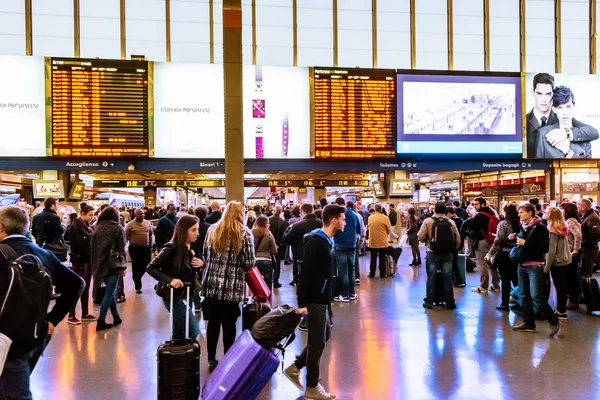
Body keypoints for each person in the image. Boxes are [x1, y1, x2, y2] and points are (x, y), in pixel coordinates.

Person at [0, 207, 84, 400]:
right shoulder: (43, 254)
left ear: (1, 228)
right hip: (34, 335)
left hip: (5, 338)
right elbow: (77, 283)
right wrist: (52, 320)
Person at [283, 204, 346, 400]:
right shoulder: (317, 243)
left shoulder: (326, 240)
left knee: (324, 335)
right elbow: (306, 274)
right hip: (314, 298)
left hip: (322, 296)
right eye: (343, 219)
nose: (344, 222)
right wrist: (302, 302)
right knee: (317, 340)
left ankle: (296, 366)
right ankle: (312, 385)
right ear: (334, 220)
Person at [202, 202, 255, 372]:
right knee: (229, 324)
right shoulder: (245, 234)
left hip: (211, 285)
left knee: (213, 323)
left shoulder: (212, 230)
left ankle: (211, 358)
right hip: (231, 288)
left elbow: (205, 254)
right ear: (241, 213)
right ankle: (228, 358)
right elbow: (249, 263)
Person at [147, 215, 204, 340]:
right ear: (184, 231)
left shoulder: (189, 247)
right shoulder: (171, 247)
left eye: (197, 229)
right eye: (193, 230)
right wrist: (170, 280)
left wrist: (201, 263)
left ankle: (176, 357)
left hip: (185, 295)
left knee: (178, 334)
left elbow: (187, 271)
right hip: (173, 297)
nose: (197, 233)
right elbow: (151, 268)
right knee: (193, 331)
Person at [510, 203, 562, 337]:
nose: (519, 215)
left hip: (534, 265)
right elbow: (523, 244)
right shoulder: (524, 227)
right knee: (524, 295)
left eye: (521, 212)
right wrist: (515, 239)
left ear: (530, 213)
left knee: (535, 295)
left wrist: (525, 243)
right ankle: (528, 322)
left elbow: (544, 248)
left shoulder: (541, 228)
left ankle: (554, 320)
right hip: (522, 264)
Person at [534, 86, 599, 158]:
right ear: (554, 109)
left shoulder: (584, 136)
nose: (564, 112)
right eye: (560, 108)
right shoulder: (543, 133)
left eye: (568, 107)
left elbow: (588, 167)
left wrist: (567, 151)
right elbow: (538, 167)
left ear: (574, 107)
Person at [418, 202, 461, 309]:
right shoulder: (451, 222)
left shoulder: (428, 221)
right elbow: (458, 240)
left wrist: (428, 241)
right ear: (445, 211)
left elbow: (420, 237)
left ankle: (429, 301)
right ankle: (450, 302)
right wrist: (451, 249)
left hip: (432, 252)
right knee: (447, 277)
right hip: (447, 254)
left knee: (431, 277)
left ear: (434, 210)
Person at [90, 206, 127, 332]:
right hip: (113, 265)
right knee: (110, 291)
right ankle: (101, 320)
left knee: (110, 291)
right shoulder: (118, 228)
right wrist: (124, 266)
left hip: (99, 265)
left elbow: (92, 248)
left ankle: (116, 317)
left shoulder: (97, 228)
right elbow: (122, 249)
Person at [485, 204, 520, 311]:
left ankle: (504, 303)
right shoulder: (520, 224)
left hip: (505, 254)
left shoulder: (503, 224)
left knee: (505, 280)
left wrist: (490, 254)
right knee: (516, 279)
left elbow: (498, 241)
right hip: (517, 253)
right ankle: (519, 302)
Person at [67, 203, 97, 325]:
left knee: (86, 285)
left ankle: (85, 312)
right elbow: (78, 243)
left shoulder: (87, 225)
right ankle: (71, 315)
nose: (92, 217)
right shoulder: (75, 227)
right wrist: (91, 238)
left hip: (87, 258)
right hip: (79, 259)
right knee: (78, 286)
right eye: (90, 215)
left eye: (93, 215)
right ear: (83, 214)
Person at [281, 203, 323, 287]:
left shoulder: (297, 226)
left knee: (304, 281)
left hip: (301, 255)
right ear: (312, 210)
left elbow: (285, 239)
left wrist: (288, 229)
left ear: (302, 211)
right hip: (319, 255)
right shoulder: (321, 224)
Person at [545, 207, 573, 319]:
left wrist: (546, 268)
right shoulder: (562, 228)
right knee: (562, 286)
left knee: (559, 287)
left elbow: (551, 252)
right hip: (566, 260)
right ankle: (561, 309)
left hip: (557, 262)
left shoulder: (552, 231)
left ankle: (561, 311)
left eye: (547, 213)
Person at [332, 198, 361, 302]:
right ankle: (352, 293)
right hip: (352, 245)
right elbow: (359, 230)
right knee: (351, 269)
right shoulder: (354, 215)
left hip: (340, 246)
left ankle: (344, 295)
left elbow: (333, 230)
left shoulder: (337, 216)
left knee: (343, 271)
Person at [470, 197, 501, 293]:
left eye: (477, 204)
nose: (475, 206)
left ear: (483, 204)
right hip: (493, 241)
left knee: (482, 263)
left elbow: (472, 229)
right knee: (492, 263)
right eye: (474, 204)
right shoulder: (493, 213)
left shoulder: (479, 216)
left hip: (482, 241)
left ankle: (483, 286)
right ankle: (496, 286)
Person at [526, 72, 557, 157]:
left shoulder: (561, 120)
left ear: (553, 94)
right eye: (539, 93)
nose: (544, 100)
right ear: (533, 92)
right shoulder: (522, 121)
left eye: (548, 94)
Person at [125, 208, 154, 294]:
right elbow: (125, 237)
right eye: (139, 214)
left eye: (142, 214)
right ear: (135, 215)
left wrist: (151, 245)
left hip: (146, 248)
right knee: (136, 266)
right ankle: (138, 285)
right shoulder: (130, 225)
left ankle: (138, 277)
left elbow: (150, 234)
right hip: (135, 249)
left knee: (147, 265)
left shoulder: (147, 223)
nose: (142, 215)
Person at [561, 202, 582, 310]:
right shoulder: (575, 221)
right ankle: (574, 298)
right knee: (572, 275)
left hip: (570, 252)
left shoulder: (569, 222)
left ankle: (573, 300)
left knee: (570, 276)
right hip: (571, 252)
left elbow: (578, 234)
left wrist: (575, 249)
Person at [191, 206, 211, 311]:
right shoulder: (210, 227)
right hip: (207, 256)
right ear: (206, 214)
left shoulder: (192, 227)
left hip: (194, 255)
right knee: (206, 279)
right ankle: (207, 302)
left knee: (194, 280)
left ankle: (197, 304)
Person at [252, 215, 278, 290]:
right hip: (267, 260)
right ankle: (267, 299)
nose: (269, 225)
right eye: (268, 223)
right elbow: (274, 251)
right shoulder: (269, 235)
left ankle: (257, 299)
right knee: (268, 283)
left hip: (255, 260)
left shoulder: (251, 233)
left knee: (256, 282)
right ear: (264, 224)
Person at [366, 204, 392, 278]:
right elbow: (389, 230)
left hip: (373, 241)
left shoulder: (370, 218)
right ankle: (382, 274)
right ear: (381, 209)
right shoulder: (385, 218)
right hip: (382, 242)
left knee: (373, 258)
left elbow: (368, 227)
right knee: (382, 258)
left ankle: (372, 273)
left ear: (375, 209)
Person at [578, 198, 600, 278]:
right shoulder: (588, 216)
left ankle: (588, 290)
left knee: (585, 275)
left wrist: (583, 245)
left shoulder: (591, 217)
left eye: (579, 205)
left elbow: (596, 233)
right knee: (584, 273)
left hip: (589, 250)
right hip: (588, 249)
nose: (577, 207)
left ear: (583, 207)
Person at [269, 205, 289, 289]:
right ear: (281, 212)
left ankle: (268, 279)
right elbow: (285, 235)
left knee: (269, 262)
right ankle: (276, 280)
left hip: (268, 245)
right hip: (279, 245)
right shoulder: (283, 222)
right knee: (277, 263)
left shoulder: (268, 220)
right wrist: (280, 243)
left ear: (273, 210)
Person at [446, 206, 465, 287]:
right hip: (459, 244)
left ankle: (459, 280)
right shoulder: (460, 220)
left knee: (453, 263)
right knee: (454, 261)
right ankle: (455, 280)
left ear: (449, 213)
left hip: (453, 244)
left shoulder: (451, 221)